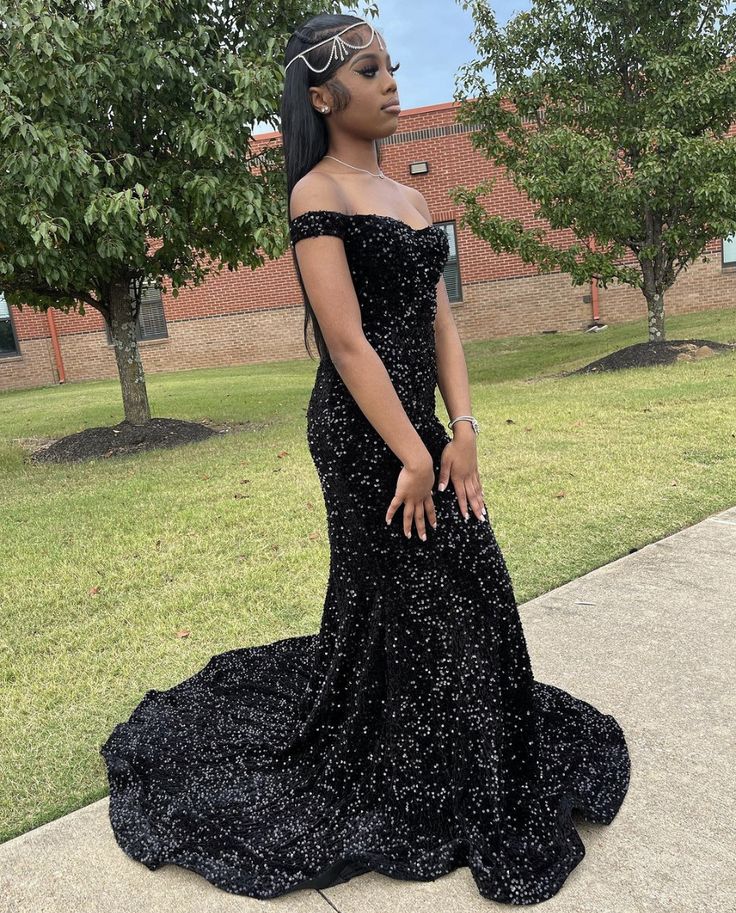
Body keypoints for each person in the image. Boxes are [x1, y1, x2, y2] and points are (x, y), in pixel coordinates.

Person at [100, 14, 631, 905]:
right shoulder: (316, 193)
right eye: (370, 69)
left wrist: (462, 428)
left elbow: (441, 320)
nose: (391, 83)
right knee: (403, 589)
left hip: (421, 428)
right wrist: (411, 453)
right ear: (323, 97)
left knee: (463, 583)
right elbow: (346, 342)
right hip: (360, 436)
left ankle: (444, 742)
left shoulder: (411, 199)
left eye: (392, 67)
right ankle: (397, 752)